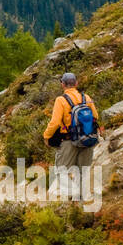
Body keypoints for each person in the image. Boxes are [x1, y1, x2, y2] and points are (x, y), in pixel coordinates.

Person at [42, 72, 103, 201]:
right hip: (87, 139)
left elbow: (55, 122)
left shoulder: (61, 100)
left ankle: (72, 197)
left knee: (61, 171)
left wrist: (46, 136)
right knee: (83, 171)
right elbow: (95, 116)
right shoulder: (86, 97)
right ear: (76, 84)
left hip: (68, 140)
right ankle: (80, 201)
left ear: (62, 84)